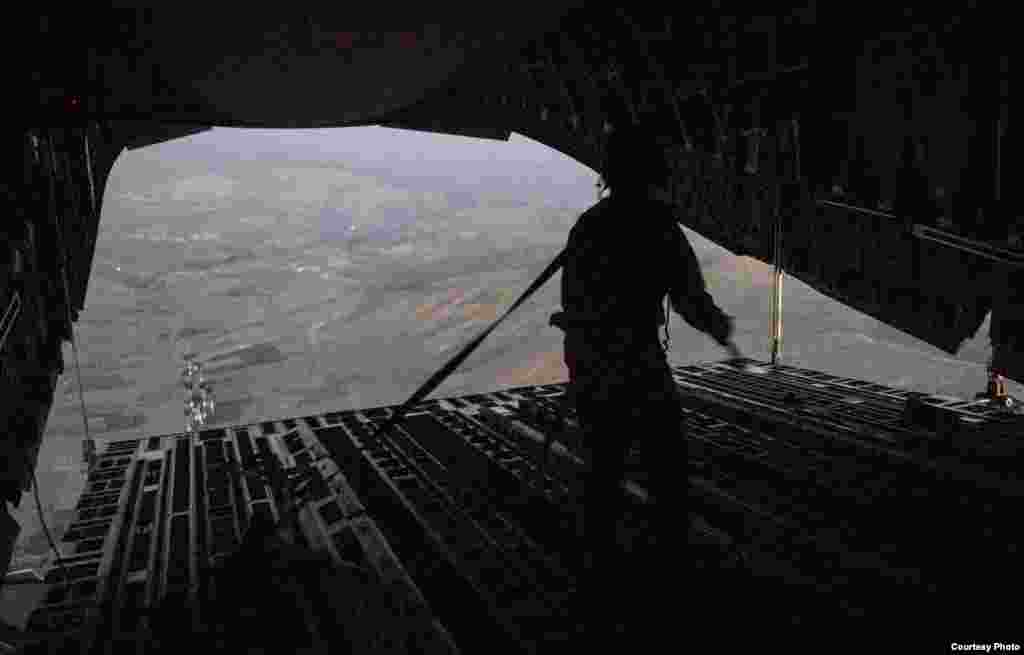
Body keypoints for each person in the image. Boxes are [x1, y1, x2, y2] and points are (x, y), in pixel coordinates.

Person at [550, 123, 736, 645]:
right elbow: (688, 297)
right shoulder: (657, 224)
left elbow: (576, 303)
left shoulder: (588, 226)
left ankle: (600, 573)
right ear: (655, 173)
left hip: (591, 363)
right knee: (665, 465)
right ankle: (669, 575)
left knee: (603, 467)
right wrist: (718, 326)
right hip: (636, 362)